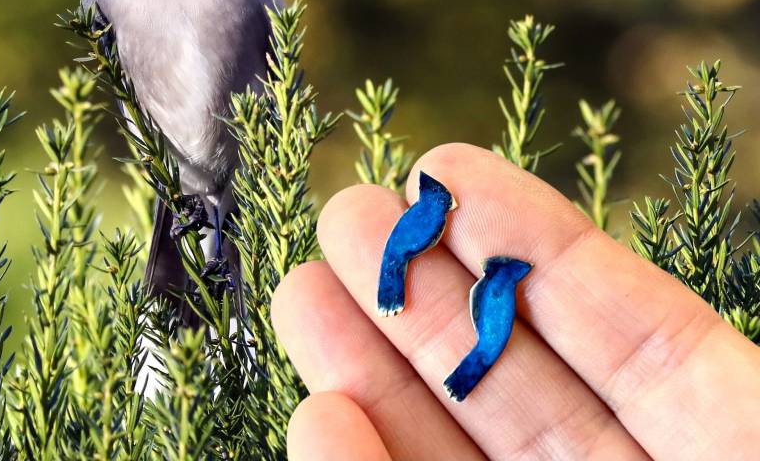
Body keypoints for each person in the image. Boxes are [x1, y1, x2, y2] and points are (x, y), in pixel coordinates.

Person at [272, 143, 760, 460]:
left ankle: (451, 361)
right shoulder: (436, 228)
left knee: (480, 344)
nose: (449, 210)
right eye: (444, 205)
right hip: (455, 298)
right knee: (421, 287)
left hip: (482, 325)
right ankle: (414, 316)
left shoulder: (494, 284)